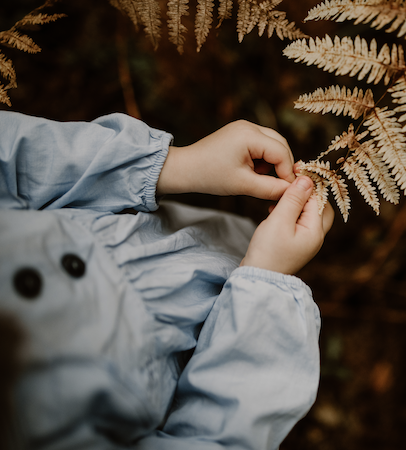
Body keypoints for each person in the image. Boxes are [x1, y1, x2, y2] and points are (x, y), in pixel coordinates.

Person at [0, 110, 334, 449]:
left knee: (236, 237)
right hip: (238, 339)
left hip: (142, 227)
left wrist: (179, 165)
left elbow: (13, 155)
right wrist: (268, 280)